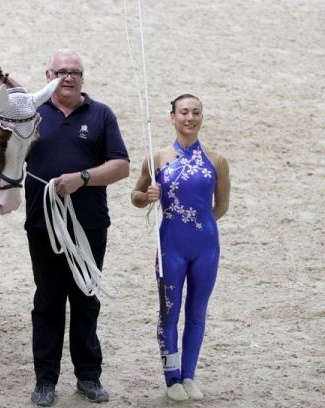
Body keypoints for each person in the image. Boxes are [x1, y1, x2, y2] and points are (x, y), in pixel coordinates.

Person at [24, 48, 130, 406]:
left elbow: (121, 166)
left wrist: (83, 177)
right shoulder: (31, 114)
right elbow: (3, 156)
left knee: (85, 297)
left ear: (83, 78)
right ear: (47, 75)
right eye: (61, 71)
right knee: (48, 300)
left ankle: (88, 376)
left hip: (89, 223)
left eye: (75, 72)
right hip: (43, 223)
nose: (68, 77)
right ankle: (45, 381)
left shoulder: (100, 115)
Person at [130, 94, 230, 401]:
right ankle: (171, 377)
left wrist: (198, 226)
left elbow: (221, 205)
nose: (190, 117)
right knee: (169, 312)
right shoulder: (156, 157)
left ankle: (189, 376)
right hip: (169, 246)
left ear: (202, 117)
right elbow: (135, 195)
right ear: (172, 117)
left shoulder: (217, 161)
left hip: (206, 248)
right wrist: (146, 196)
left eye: (196, 112)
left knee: (197, 312)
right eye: (184, 112)